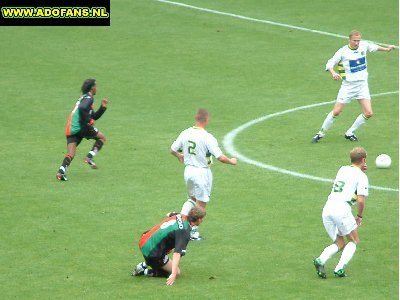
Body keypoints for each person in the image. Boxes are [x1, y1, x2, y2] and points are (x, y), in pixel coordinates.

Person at [312, 30, 395, 143]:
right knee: (336, 111)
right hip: (348, 87)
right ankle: (320, 133)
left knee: (369, 113)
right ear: (349, 40)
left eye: (358, 40)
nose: (357, 43)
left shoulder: (363, 45)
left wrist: (386, 49)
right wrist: (333, 73)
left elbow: (374, 47)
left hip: (362, 86)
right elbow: (330, 63)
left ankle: (350, 132)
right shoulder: (343, 52)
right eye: (355, 40)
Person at [170, 108, 237, 240]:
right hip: (202, 172)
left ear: (196, 119)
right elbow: (220, 157)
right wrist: (232, 161)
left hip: (188, 171)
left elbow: (172, 149)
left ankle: (180, 225)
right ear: (207, 119)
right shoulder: (207, 137)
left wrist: (179, 155)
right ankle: (192, 232)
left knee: (192, 200)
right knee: (201, 205)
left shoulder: (185, 133)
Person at [313, 147, 369, 278]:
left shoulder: (342, 169)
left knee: (340, 243)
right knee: (354, 240)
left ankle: (320, 260)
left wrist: (360, 169)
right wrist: (359, 216)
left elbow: (349, 183)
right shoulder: (362, 176)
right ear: (363, 160)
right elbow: (360, 200)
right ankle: (339, 269)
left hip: (327, 209)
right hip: (341, 210)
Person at [132, 206, 206, 286]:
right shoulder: (184, 232)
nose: (202, 221)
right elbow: (177, 253)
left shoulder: (179, 216)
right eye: (202, 219)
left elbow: (169, 214)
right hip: (152, 252)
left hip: (144, 240)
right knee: (177, 272)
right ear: (198, 219)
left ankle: (145, 264)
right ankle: (144, 271)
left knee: (166, 247)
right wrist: (173, 274)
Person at [56, 79, 108, 181]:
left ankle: (60, 173)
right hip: (81, 127)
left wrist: (102, 108)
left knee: (71, 153)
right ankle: (89, 157)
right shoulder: (89, 98)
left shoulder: (83, 98)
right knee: (102, 138)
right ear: (92, 88)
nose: (96, 88)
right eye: (95, 86)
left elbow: (93, 116)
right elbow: (82, 110)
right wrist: (88, 120)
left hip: (71, 129)